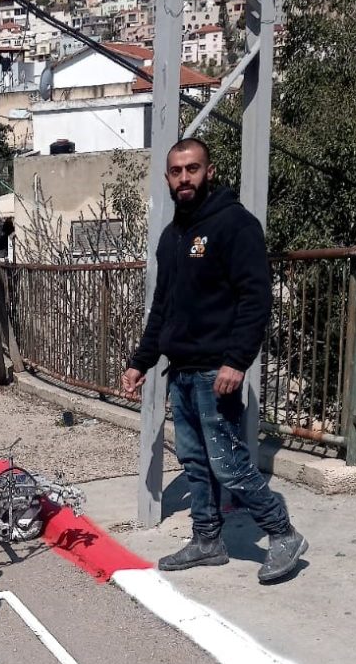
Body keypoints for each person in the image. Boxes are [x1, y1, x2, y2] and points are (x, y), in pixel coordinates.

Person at [120, 138, 308, 584]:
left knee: (228, 463)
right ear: (168, 178)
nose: (184, 178)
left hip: (216, 371)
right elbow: (162, 307)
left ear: (210, 172)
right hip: (182, 372)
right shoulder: (172, 235)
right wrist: (140, 362)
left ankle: (283, 533)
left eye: (193, 169)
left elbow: (255, 299)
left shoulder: (235, 224)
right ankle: (207, 540)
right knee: (195, 462)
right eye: (176, 171)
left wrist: (236, 361)